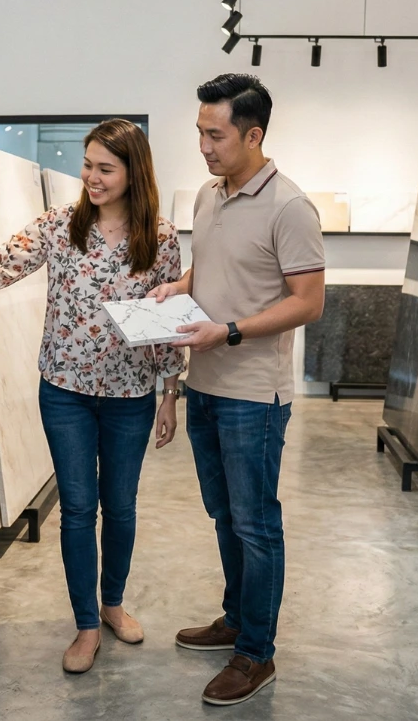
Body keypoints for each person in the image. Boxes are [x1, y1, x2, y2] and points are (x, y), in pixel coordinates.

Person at [0, 119, 186, 674]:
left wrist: (170, 394)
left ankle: (112, 604)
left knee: (119, 507)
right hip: (64, 391)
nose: (91, 177)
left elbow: (165, 320)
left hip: (130, 395)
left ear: (133, 172)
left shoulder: (159, 239)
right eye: (87, 165)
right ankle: (86, 624)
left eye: (105, 168)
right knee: (76, 509)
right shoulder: (60, 226)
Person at [150, 74, 325, 706]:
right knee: (224, 516)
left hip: (254, 394)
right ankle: (235, 618)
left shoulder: (290, 207)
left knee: (256, 525)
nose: (203, 145)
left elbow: (308, 302)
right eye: (199, 132)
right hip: (208, 385)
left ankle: (257, 654)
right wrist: (179, 287)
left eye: (214, 134)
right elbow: (221, 265)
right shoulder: (208, 194)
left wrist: (226, 332)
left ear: (253, 135)